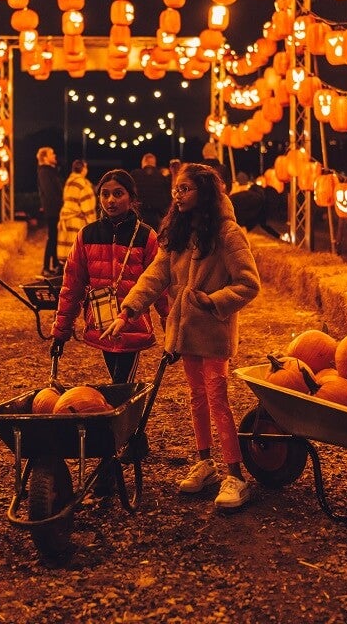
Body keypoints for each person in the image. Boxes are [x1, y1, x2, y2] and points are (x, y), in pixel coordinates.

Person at [102, 163, 260, 510]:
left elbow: (249, 284)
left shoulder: (227, 234)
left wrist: (213, 301)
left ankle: (236, 475)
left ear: (204, 193)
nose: (178, 194)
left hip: (213, 330)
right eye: (177, 189)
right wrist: (128, 311)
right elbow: (154, 275)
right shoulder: (176, 232)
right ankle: (206, 463)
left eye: (185, 189)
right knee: (196, 397)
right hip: (185, 332)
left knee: (218, 396)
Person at [50, 169, 169, 385]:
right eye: (105, 194)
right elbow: (72, 285)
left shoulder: (145, 236)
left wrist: (170, 324)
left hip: (131, 324)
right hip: (102, 323)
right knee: (118, 383)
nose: (110, 200)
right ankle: (122, 416)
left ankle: (122, 415)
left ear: (131, 198)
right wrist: (61, 330)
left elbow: (160, 284)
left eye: (118, 193)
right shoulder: (87, 235)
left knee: (121, 384)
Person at [56, 159, 96, 263]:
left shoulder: (69, 181)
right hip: (76, 220)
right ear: (83, 169)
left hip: (66, 217)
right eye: (86, 167)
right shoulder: (82, 183)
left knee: (67, 252)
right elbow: (87, 204)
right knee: (76, 253)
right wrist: (92, 221)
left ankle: (64, 274)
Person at [230, 172, 282, 239]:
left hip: (233, 217)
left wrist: (279, 236)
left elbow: (263, 225)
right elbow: (237, 205)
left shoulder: (260, 209)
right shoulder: (255, 198)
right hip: (227, 210)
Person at [36, 146, 62, 276]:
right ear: (45, 157)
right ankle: (46, 267)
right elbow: (50, 193)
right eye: (52, 154)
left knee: (54, 237)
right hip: (52, 210)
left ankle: (55, 264)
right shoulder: (44, 172)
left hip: (54, 209)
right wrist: (59, 206)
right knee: (52, 237)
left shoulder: (50, 171)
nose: (55, 155)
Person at [130, 152, 172, 228]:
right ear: (154, 163)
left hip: (138, 215)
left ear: (143, 162)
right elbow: (168, 197)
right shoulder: (162, 176)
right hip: (157, 216)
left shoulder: (134, 174)